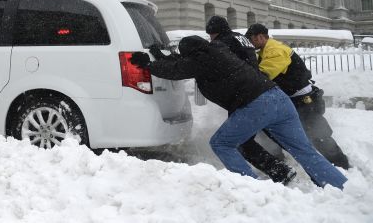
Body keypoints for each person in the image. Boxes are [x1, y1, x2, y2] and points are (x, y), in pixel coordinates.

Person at [132, 36, 347, 189]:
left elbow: (176, 70)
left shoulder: (201, 60)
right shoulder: (217, 51)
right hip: (279, 99)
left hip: (257, 105)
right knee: (304, 151)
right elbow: (180, 63)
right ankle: (342, 188)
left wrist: (149, 65)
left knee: (221, 143)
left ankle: (250, 187)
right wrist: (160, 55)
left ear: (191, 53)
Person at [245, 23, 350, 170]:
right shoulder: (265, 51)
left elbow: (263, 75)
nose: (250, 43)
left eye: (251, 39)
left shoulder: (276, 50)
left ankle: (341, 165)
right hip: (293, 100)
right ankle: (285, 160)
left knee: (317, 133)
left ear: (260, 37)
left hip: (303, 101)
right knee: (274, 128)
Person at [205, 16, 295, 185]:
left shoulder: (223, 43)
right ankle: (280, 168)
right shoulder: (241, 39)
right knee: (259, 136)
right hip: (257, 93)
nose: (210, 39)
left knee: (238, 141)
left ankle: (272, 174)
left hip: (244, 97)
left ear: (216, 33)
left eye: (211, 35)